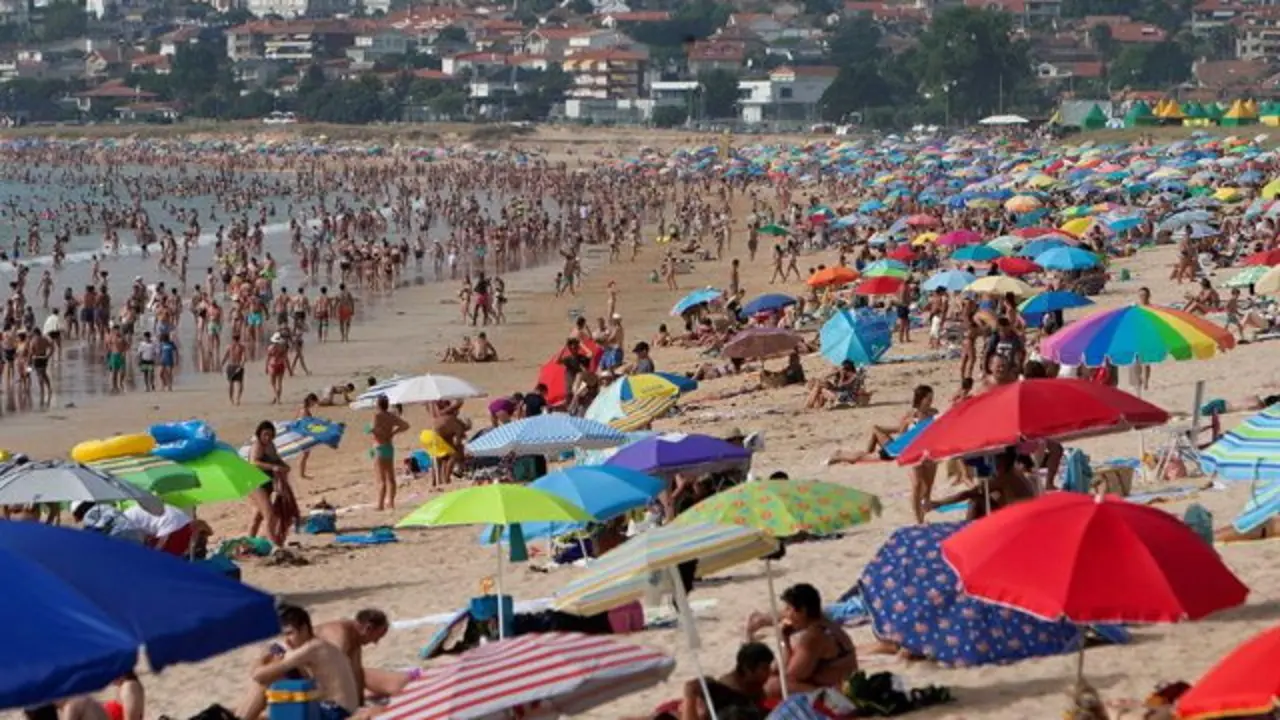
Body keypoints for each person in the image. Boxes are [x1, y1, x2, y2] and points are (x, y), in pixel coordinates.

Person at [237, 605, 359, 720]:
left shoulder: (313, 648)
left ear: (304, 629)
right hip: (336, 708)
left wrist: (261, 657)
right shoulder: (320, 645)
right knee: (276, 675)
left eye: (290, 633)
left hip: (335, 712)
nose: (287, 640)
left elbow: (259, 676)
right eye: (284, 634)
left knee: (266, 681)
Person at [746, 583, 857, 696]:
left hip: (838, 694)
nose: (786, 614)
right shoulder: (827, 624)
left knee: (772, 685)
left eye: (789, 609)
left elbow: (791, 675)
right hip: (845, 685)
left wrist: (784, 642)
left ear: (803, 611)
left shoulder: (814, 637)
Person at [316, 609, 421, 703]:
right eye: (377, 637)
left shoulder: (355, 640)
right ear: (368, 628)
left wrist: (360, 703)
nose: (375, 642)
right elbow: (330, 672)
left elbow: (358, 674)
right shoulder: (339, 635)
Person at [826, 384, 935, 463]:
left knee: (865, 455)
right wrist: (907, 424)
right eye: (929, 398)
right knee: (862, 457)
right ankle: (839, 455)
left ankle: (847, 455)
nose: (931, 401)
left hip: (906, 449)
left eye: (931, 398)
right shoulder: (910, 415)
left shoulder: (933, 413)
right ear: (921, 399)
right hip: (897, 450)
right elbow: (901, 435)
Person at [670, 642, 775, 720]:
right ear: (747, 669)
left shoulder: (753, 684)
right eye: (764, 668)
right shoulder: (727, 691)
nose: (769, 672)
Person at [247, 421, 294, 547]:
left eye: (270, 435)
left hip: (268, 483)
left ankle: (248, 544)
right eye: (265, 435)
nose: (267, 437)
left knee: (258, 516)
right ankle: (274, 545)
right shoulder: (257, 445)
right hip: (256, 483)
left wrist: (284, 466)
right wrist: (273, 467)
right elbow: (254, 462)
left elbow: (277, 459)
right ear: (259, 434)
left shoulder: (271, 445)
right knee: (269, 515)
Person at [370, 394, 410, 510]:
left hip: (378, 446)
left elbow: (374, 430)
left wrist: (368, 429)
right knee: (390, 477)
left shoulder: (376, 415)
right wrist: (393, 433)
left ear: (378, 404)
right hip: (388, 446)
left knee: (380, 478)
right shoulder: (391, 416)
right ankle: (391, 503)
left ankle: (380, 504)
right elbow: (405, 425)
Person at [122, 502, 195, 556]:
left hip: (172, 526)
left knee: (162, 560)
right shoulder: (129, 514)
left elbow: (138, 545)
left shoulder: (125, 523)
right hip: (182, 521)